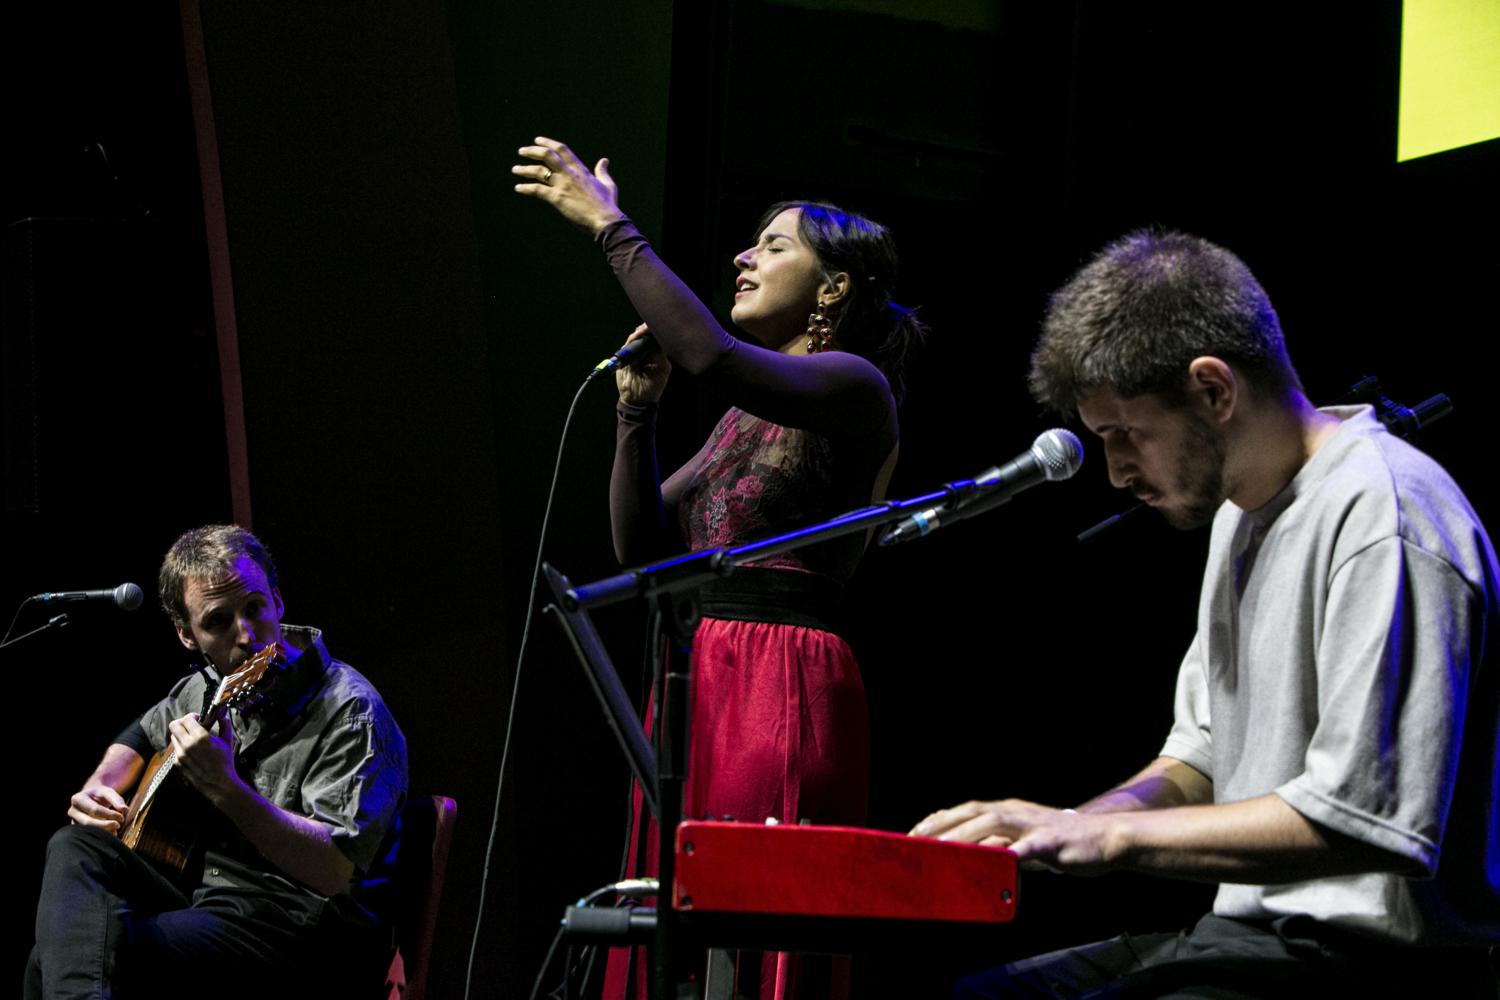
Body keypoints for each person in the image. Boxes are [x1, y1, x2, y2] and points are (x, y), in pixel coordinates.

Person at [914, 231, 1500, 998]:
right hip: (1254, 935)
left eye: (1125, 434)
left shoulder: (1383, 513)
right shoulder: (1240, 515)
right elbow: (1201, 757)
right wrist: (1062, 827)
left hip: (1375, 964)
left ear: (1214, 390)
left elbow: (1362, 816)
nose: (1116, 471)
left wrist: (1109, 835)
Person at [515, 137, 925, 998]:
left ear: (833, 288)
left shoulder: (856, 386)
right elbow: (640, 547)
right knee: (672, 919)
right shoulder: (741, 419)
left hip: (782, 675)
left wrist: (611, 228)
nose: (743, 257)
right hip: (702, 673)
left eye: (773, 246)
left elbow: (708, 355)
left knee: (746, 916)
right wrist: (636, 416)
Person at [26, 524, 408, 999]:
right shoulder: (208, 687)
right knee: (74, 848)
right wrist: (100, 786)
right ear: (187, 635)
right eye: (219, 621)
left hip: (306, 933)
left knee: (85, 954)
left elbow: (333, 871)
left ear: (277, 601)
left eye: (255, 608)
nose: (245, 635)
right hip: (212, 901)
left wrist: (225, 788)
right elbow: (143, 732)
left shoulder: (351, 711)